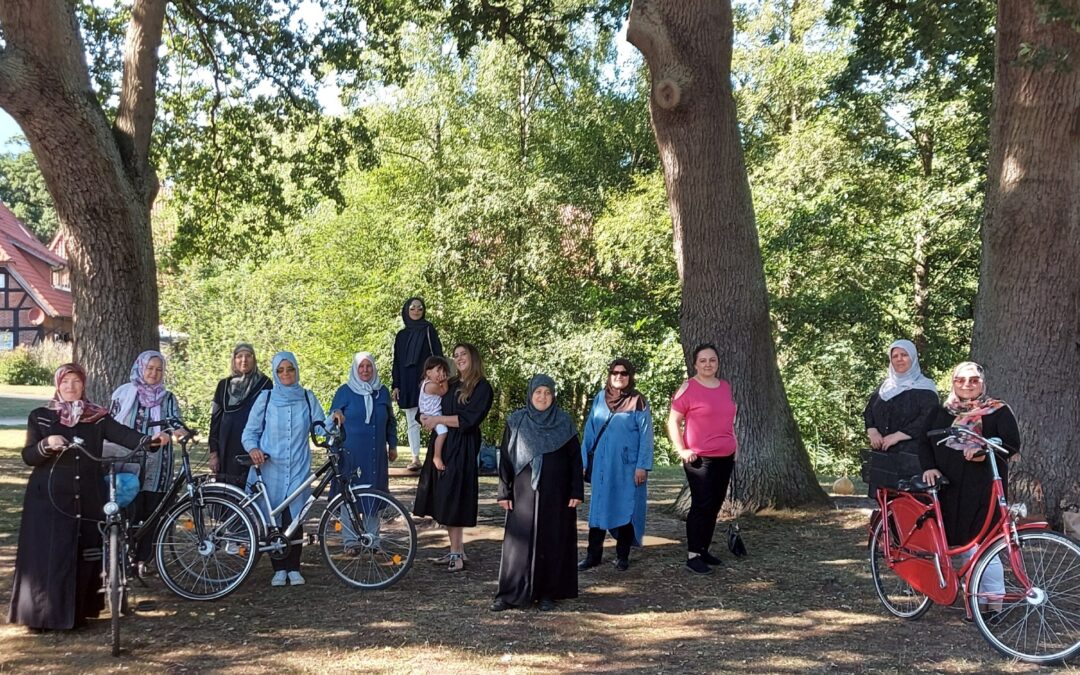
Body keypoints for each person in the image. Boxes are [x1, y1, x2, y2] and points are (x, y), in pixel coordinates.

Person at [8, 364, 166, 631]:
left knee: (83, 553)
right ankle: (42, 616)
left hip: (88, 496)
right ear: (58, 385)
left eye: (76, 381)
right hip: (48, 498)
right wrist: (46, 445)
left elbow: (125, 435)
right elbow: (28, 456)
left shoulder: (97, 418)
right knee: (51, 554)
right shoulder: (42, 417)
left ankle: (77, 614)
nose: (71, 386)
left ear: (83, 385)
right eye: (66, 381)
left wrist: (151, 440)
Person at [921, 361, 1021, 617]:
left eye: (973, 380)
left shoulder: (997, 410)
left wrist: (983, 447)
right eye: (961, 380)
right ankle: (973, 603)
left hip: (983, 487)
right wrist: (929, 467)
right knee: (963, 547)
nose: (967, 385)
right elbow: (924, 442)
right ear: (953, 382)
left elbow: (1011, 444)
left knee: (985, 547)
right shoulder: (941, 412)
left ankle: (994, 605)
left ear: (983, 382)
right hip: (948, 489)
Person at [491, 375, 583, 612]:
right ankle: (510, 594)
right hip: (523, 491)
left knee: (551, 539)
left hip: (557, 492)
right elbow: (506, 458)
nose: (543, 397)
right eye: (538, 392)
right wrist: (504, 491)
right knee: (518, 541)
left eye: (547, 392)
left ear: (553, 396)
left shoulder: (564, 422)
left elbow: (575, 459)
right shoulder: (517, 421)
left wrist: (576, 490)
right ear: (530, 394)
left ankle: (547, 593)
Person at [242, 352, 326, 587]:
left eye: (290, 369)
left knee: (294, 518)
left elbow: (321, 427)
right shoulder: (265, 398)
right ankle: (278, 568)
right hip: (271, 468)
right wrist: (253, 449)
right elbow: (249, 432)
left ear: (297, 370)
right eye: (281, 370)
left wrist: (336, 420)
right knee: (274, 520)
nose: (286, 373)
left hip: (298, 467)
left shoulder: (308, 398)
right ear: (275, 373)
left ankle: (294, 567)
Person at [413, 342, 494, 572]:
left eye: (463, 354)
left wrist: (438, 421)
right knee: (444, 498)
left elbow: (468, 420)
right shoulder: (451, 383)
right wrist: (425, 419)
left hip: (463, 446)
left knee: (455, 497)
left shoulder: (482, 387)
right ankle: (454, 549)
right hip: (444, 444)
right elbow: (427, 406)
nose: (458, 358)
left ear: (473, 357)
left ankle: (457, 553)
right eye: (455, 355)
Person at [667, 344, 737, 575]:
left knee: (714, 505)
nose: (708, 364)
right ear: (695, 364)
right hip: (700, 459)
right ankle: (693, 555)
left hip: (725, 456)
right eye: (703, 360)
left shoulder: (725, 387)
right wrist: (682, 450)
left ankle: (703, 549)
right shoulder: (688, 388)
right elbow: (672, 421)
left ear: (718, 363)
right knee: (701, 505)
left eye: (712, 360)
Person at [109, 349, 183, 567]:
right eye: (150, 368)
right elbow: (112, 424)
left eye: (159, 369)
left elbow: (174, 421)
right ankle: (124, 555)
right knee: (130, 506)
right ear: (140, 368)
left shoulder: (167, 397)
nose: (154, 373)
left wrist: (179, 432)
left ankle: (145, 559)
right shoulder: (123, 393)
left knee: (153, 509)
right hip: (129, 458)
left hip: (158, 462)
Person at [578, 358, 653, 572]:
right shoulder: (600, 398)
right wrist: (583, 462)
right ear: (609, 375)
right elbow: (590, 432)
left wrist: (642, 466)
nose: (619, 376)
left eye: (623, 373)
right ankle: (593, 555)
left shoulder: (638, 401)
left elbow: (647, 437)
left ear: (630, 376)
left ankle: (622, 556)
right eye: (614, 373)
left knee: (625, 507)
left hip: (627, 467)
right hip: (602, 466)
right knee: (598, 509)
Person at [863, 339, 939, 495]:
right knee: (885, 501)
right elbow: (869, 410)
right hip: (883, 455)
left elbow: (928, 418)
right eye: (895, 355)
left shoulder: (925, 388)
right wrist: (872, 431)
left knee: (911, 503)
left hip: (912, 456)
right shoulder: (885, 388)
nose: (899, 359)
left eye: (904, 355)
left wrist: (897, 436)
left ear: (913, 357)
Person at [330, 352, 397, 494]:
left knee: (374, 494)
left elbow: (390, 421)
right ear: (355, 368)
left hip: (375, 453)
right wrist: (333, 450)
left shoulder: (382, 392)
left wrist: (393, 445)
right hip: (350, 455)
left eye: (369, 366)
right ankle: (347, 517)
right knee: (348, 497)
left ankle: (372, 517)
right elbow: (333, 422)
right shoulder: (344, 391)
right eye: (361, 366)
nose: (365, 370)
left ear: (374, 368)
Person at [208, 343, 273, 487]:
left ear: (254, 359)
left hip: (252, 448)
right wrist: (214, 454)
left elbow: (270, 419)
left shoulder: (265, 384)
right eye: (239, 356)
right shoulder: (223, 385)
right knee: (226, 494)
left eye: (248, 356)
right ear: (234, 360)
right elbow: (215, 421)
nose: (244, 360)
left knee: (250, 492)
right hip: (226, 448)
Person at [391, 296, 443, 471]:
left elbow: (438, 354)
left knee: (434, 415)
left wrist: (437, 377)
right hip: (407, 382)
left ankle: (437, 455)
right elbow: (397, 361)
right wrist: (396, 385)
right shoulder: (401, 335)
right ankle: (415, 458)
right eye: (412, 308)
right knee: (412, 419)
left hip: (426, 381)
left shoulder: (429, 329)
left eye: (420, 308)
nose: (416, 311)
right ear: (406, 310)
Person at [418, 356, 451, 471]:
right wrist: (444, 381)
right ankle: (437, 456)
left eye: (443, 370)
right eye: (438, 370)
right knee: (443, 432)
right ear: (429, 372)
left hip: (430, 414)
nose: (441, 373)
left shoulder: (425, 383)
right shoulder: (432, 386)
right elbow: (444, 391)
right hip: (433, 415)